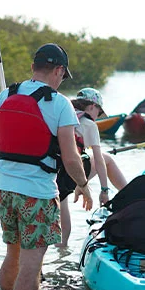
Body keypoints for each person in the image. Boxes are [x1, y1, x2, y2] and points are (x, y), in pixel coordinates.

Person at [0, 43, 94, 290]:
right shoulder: (60, 104)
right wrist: (83, 184)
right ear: (59, 70)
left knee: (13, 254)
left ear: (33, 67)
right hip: (37, 193)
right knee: (31, 265)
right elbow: (70, 157)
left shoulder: (6, 95)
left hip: (3, 189)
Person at [57, 87, 127, 246]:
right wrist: (104, 190)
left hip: (56, 174)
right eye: (99, 111)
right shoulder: (89, 124)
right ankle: (129, 194)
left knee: (63, 201)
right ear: (91, 107)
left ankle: (62, 247)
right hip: (71, 173)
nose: (98, 116)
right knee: (106, 158)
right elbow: (99, 160)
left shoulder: (63, 115)